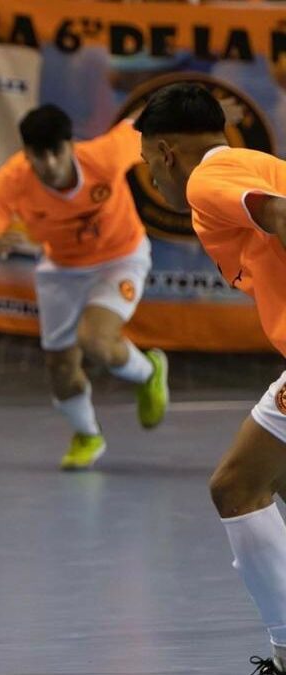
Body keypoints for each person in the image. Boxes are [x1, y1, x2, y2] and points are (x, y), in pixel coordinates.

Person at [135, 82, 286, 674]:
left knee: (236, 486)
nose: (152, 175)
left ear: (168, 151)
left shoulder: (205, 180)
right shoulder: (260, 164)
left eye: (149, 160)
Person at [0, 104, 169, 470]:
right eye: (39, 156)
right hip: (62, 269)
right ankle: (88, 434)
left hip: (121, 258)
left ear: (70, 145)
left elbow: (146, 118)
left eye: (56, 152)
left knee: (95, 341)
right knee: (60, 366)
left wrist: (202, 110)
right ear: (27, 154)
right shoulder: (12, 181)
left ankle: (148, 372)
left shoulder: (103, 156)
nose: (50, 163)